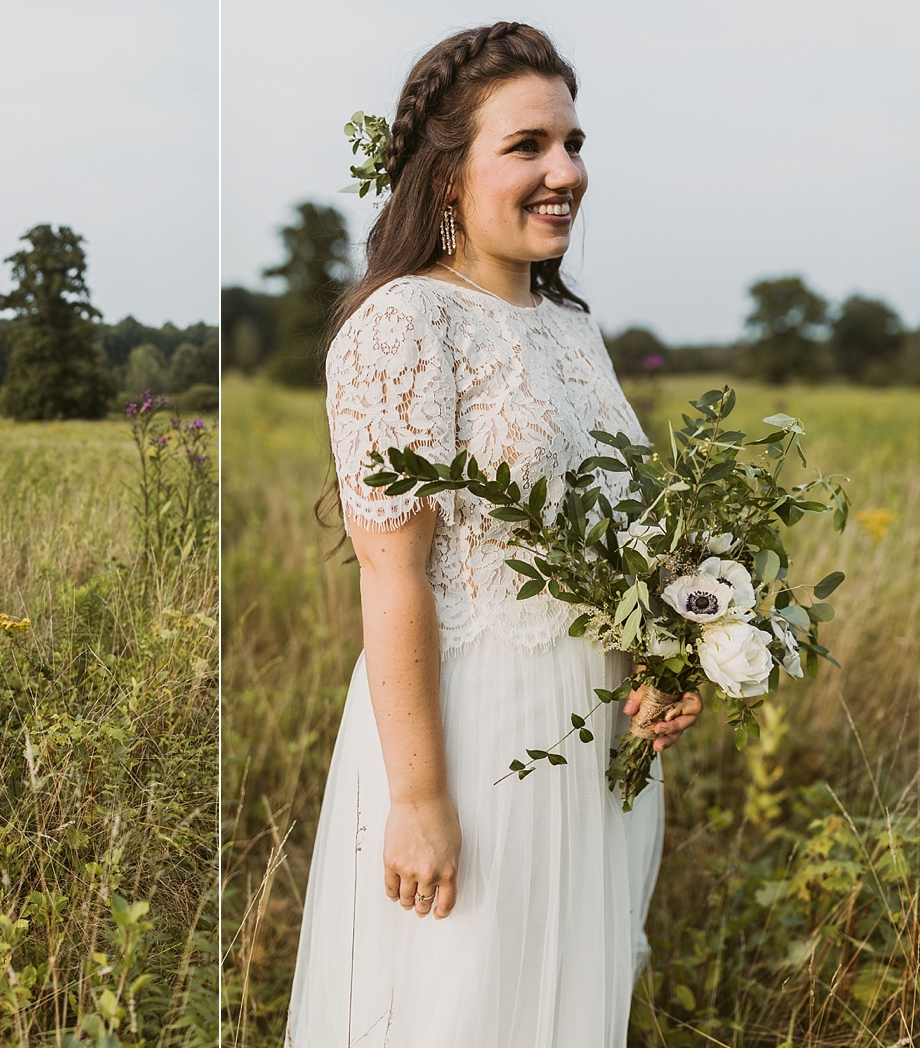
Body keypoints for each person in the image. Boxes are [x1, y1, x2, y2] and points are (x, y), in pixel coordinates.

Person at [287, 23, 704, 1046]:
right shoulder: (402, 325)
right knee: (461, 1001)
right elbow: (392, 576)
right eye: (526, 146)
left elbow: (624, 530)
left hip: (588, 731)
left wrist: (668, 651)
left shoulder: (571, 329)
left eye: (571, 143)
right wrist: (418, 796)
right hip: (474, 734)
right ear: (445, 177)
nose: (564, 170)